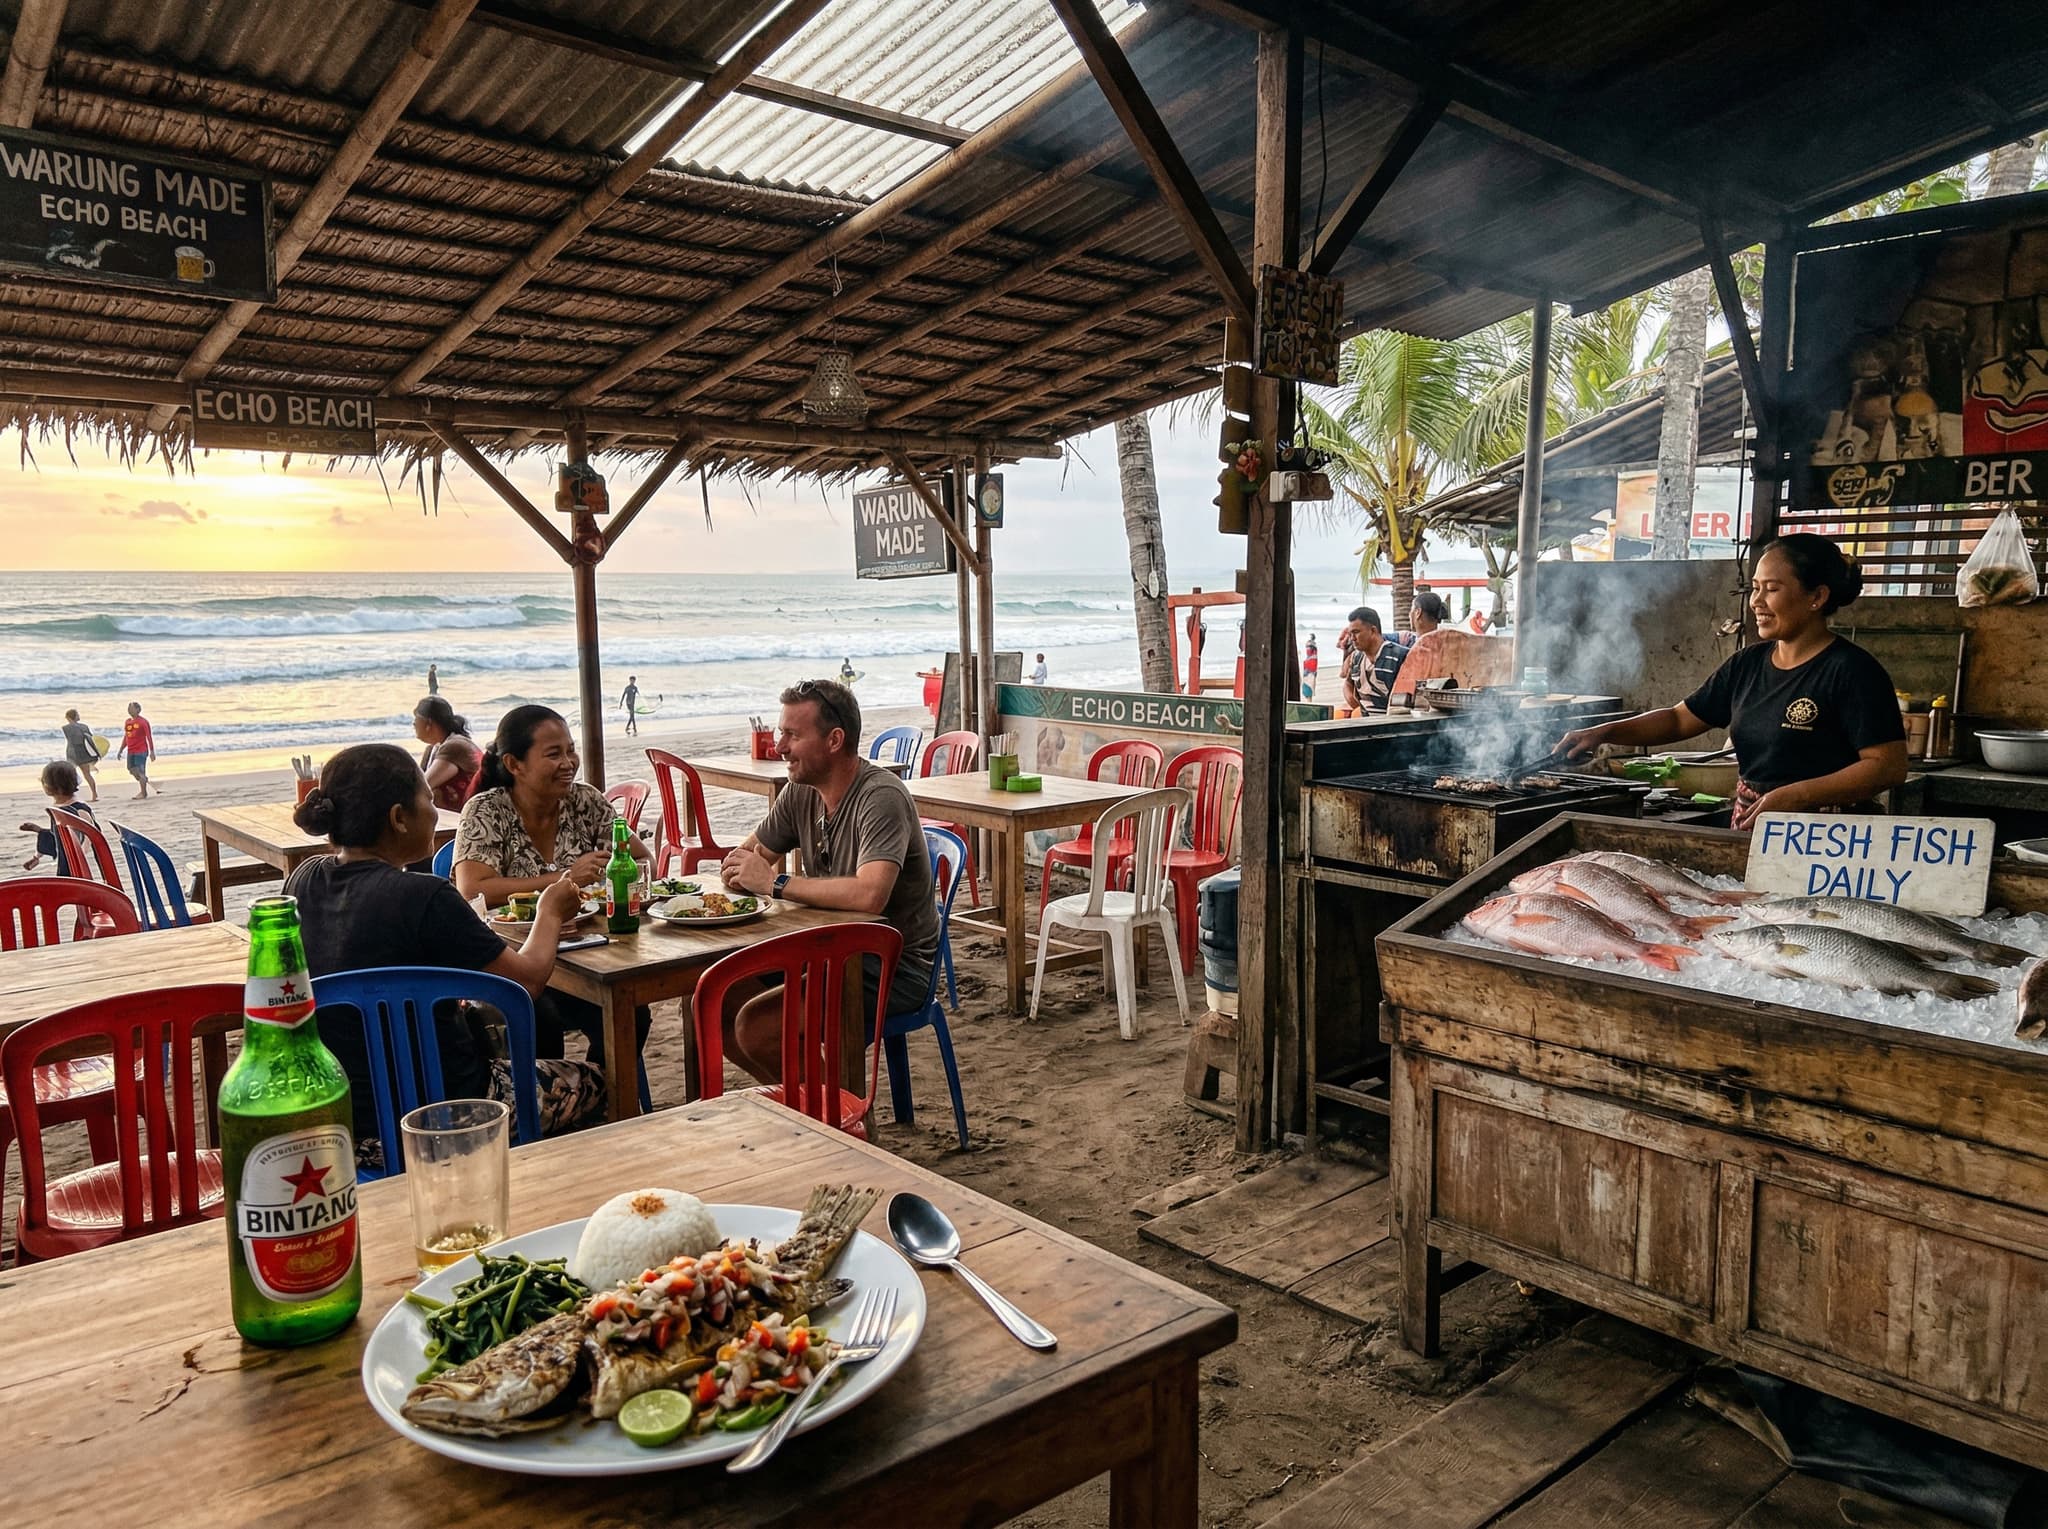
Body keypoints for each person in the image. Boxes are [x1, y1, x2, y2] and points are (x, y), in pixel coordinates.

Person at [285, 744, 603, 1174]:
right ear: (399, 818)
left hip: (341, 1125)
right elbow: (526, 983)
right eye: (430, 801)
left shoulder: (301, 880)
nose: (436, 814)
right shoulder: (425, 896)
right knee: (599, 1080)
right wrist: (548, 911)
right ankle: (549, 1182)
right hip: (449, 1114)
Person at [1559, 534, 1908, 830]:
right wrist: (1603, 733)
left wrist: (1796, 795)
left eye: (1772, 589)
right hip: (1754, 822)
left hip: (1828, 834)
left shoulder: (1852, 671)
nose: (1757, 601)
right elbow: (1681, 718)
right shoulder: (1748, 663)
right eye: (1755, 588)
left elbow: (1887, 766)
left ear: (1817, 597)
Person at [718, 679, 938, 1086]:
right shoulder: (801, 791)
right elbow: (745, 861)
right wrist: (743, 873)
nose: (779, 747)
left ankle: (839, 1119)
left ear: (835, 740)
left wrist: (775, 883)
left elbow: (870, 895)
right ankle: (817, 1109)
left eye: (792, 735)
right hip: (822, 951)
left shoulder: (880, 796)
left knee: (756, 1025)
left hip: (890, 966)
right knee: (714, 1001)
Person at [452, 704, 653, 1072]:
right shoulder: (486, 810)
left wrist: (614, 865)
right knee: (536, 1014)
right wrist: (564, 880)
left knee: (633, 1012)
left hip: (584, 952)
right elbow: (473, 889)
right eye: (554, 754)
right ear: (514, 764)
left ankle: (603, 1097)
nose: (569, 762)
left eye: (571, 750)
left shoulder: (586, 801)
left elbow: (642, 864)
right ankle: (550, 1111)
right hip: (511, 959)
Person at [18, 760, 95, 871]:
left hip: (76, 865)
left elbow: (90, 834)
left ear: (49, 787)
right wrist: (37, 856)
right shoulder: (59, 809)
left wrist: (81, 854)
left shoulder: (77, 809)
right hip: (69, 861)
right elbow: (60, 839)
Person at [413, 695, 483, 812]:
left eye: (416, 718)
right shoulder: (433, 748)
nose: (414, 724)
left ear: (428, 723)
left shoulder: (454, 746)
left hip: (469, 815)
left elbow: (423, 787)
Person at [1341, 607, 1409, 714]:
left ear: (1373, 631)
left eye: (1356, 632)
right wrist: (1359, 708)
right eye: (1350, 634)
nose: (1352, 638)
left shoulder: (1400, 656)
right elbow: (1348, 683)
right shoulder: (1356, 657)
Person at [117, 700, 158, 798]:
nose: (129, 710)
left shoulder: (143, 722)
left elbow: (149, 736)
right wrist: (121, 749)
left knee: (140, 771)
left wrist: (152, 751)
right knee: (131, 769)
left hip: (141, 750)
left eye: (131, 708)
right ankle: (143, 779)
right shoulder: (128, 722)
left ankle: (143, 793)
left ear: (138, 710)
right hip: (131, 750)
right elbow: (127, 736)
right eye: (128, 708)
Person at [60, 707, 100, 801]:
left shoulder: (66, 728)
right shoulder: (84, 726)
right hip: (83, 752)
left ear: (68, 718)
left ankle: (70, 796)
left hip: (72, 753)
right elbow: (91, 739)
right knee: (87, 774)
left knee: (70, 775)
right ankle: (94, 794)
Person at [1302, 634, 1319, 699]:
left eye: (1308, 648)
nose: (1307, 649)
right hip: (1308, 672)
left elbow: (1313, 666)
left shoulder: (1313, 657)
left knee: (1309, 688)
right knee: (1307, 689)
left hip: (1310, 672)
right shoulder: (1311, 657)